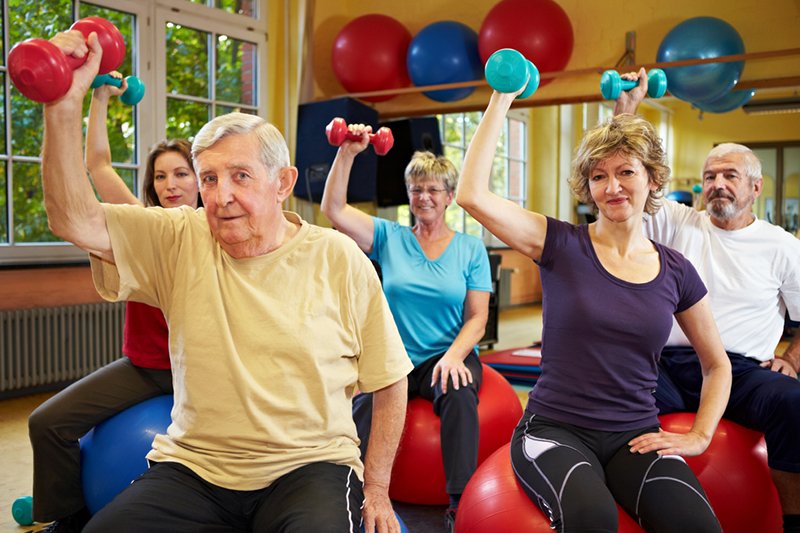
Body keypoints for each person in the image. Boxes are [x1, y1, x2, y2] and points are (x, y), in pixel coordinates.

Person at [41, 29, 412, 533]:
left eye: (240, 176)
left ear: (282, 183)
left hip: (310, 464)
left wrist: (378, 488)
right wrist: (63, 104)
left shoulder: (338, 257)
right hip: (195, 467)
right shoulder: (180, 236)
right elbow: (74, 220)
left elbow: (389, 380)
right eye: (210, 178)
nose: (221, 196)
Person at [456, 88, 732, 532]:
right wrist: (502, 99)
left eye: (626, 172)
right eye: (599, 176)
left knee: (697, 526)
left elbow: (717, 364)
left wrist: (700, 435)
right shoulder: (559, 243)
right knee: (592, 518)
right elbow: (471, 195)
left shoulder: (676, 270)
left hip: (636, 436)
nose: (612, 187)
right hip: (554, 430)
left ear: (652, 179)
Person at [617, 69, 800, 533]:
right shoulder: (678, 221)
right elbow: (627, 176)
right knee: (612, 397)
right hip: (666, 364)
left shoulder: (782, 246)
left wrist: (793, 360)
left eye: (730, 175)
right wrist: (627, 108)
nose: (718, 183)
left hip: (739, 373)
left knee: (794, 402)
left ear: (755, 187)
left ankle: (794, 521)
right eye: (710, 176)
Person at [27, 74, 200, 533]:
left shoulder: (215, 236)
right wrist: (101, 96)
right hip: (144, 368)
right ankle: (70, 517)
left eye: (181, 173)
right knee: (47, 422)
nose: (170, 184)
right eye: (160, 176)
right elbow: (98, 165)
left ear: (201, 179)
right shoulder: (145, 225)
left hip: (200, 374)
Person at [321, 129, 493, 531]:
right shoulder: (389, 237)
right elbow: (334, 209)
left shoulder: (470, 248)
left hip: (447, 353)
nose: (424, 197)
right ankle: (348, 492)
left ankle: (459, 503)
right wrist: (347, 153)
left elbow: (477, 317)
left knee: (458, 391)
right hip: (396, 357)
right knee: (362, 408)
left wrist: (453, 357)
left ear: (450, 197)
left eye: (433, 190)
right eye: (416, 189)